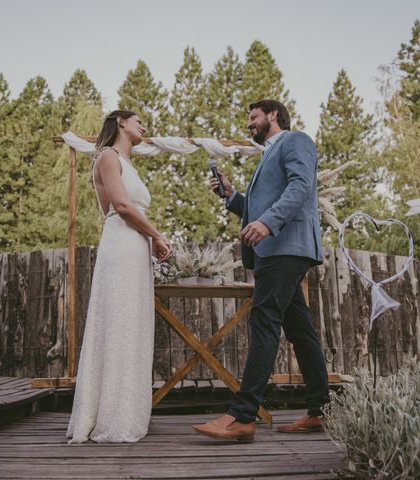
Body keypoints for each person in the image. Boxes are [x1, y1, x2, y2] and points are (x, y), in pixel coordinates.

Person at [193, 100, 329, 442]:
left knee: (264, 320)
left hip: (285, 245)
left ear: (273, 115)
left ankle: (242, 416)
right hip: (277, 247)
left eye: (253, 117)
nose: (249, 123)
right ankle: (321, 411)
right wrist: (231, 195)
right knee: (300, 330)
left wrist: (268, 223)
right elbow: (257, 207)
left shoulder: (296, 140)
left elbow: (300, 187)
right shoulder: (267, 155)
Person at [67, 110, 173, 443]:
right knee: (117, 325)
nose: (144, 125)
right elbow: (121, 209)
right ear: (121, 123)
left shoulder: (127, 164)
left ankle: (125, 411)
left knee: (133, 326)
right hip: (121, 247)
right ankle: (109, 417)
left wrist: (147, 239)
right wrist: (156, 235)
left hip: (133, 247)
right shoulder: (107, 157)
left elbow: (121, 209)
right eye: (138, 120)